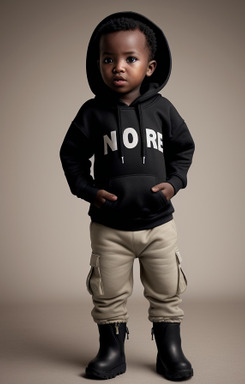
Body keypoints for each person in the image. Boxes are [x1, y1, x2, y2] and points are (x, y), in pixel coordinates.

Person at [60, 11, 195, 381]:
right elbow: (70, 156)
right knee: (108, 292)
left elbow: (184, 148)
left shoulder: (163, 110)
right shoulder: (92, 113)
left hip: (157, 225)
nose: (118, 67)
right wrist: (87, 190)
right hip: (109, 227)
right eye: (109, 59)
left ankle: (169, 350)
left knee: (167, 289)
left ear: (150, 66)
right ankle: (112, 349)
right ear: (98, 63)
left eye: (130, 59)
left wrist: (174, 182)